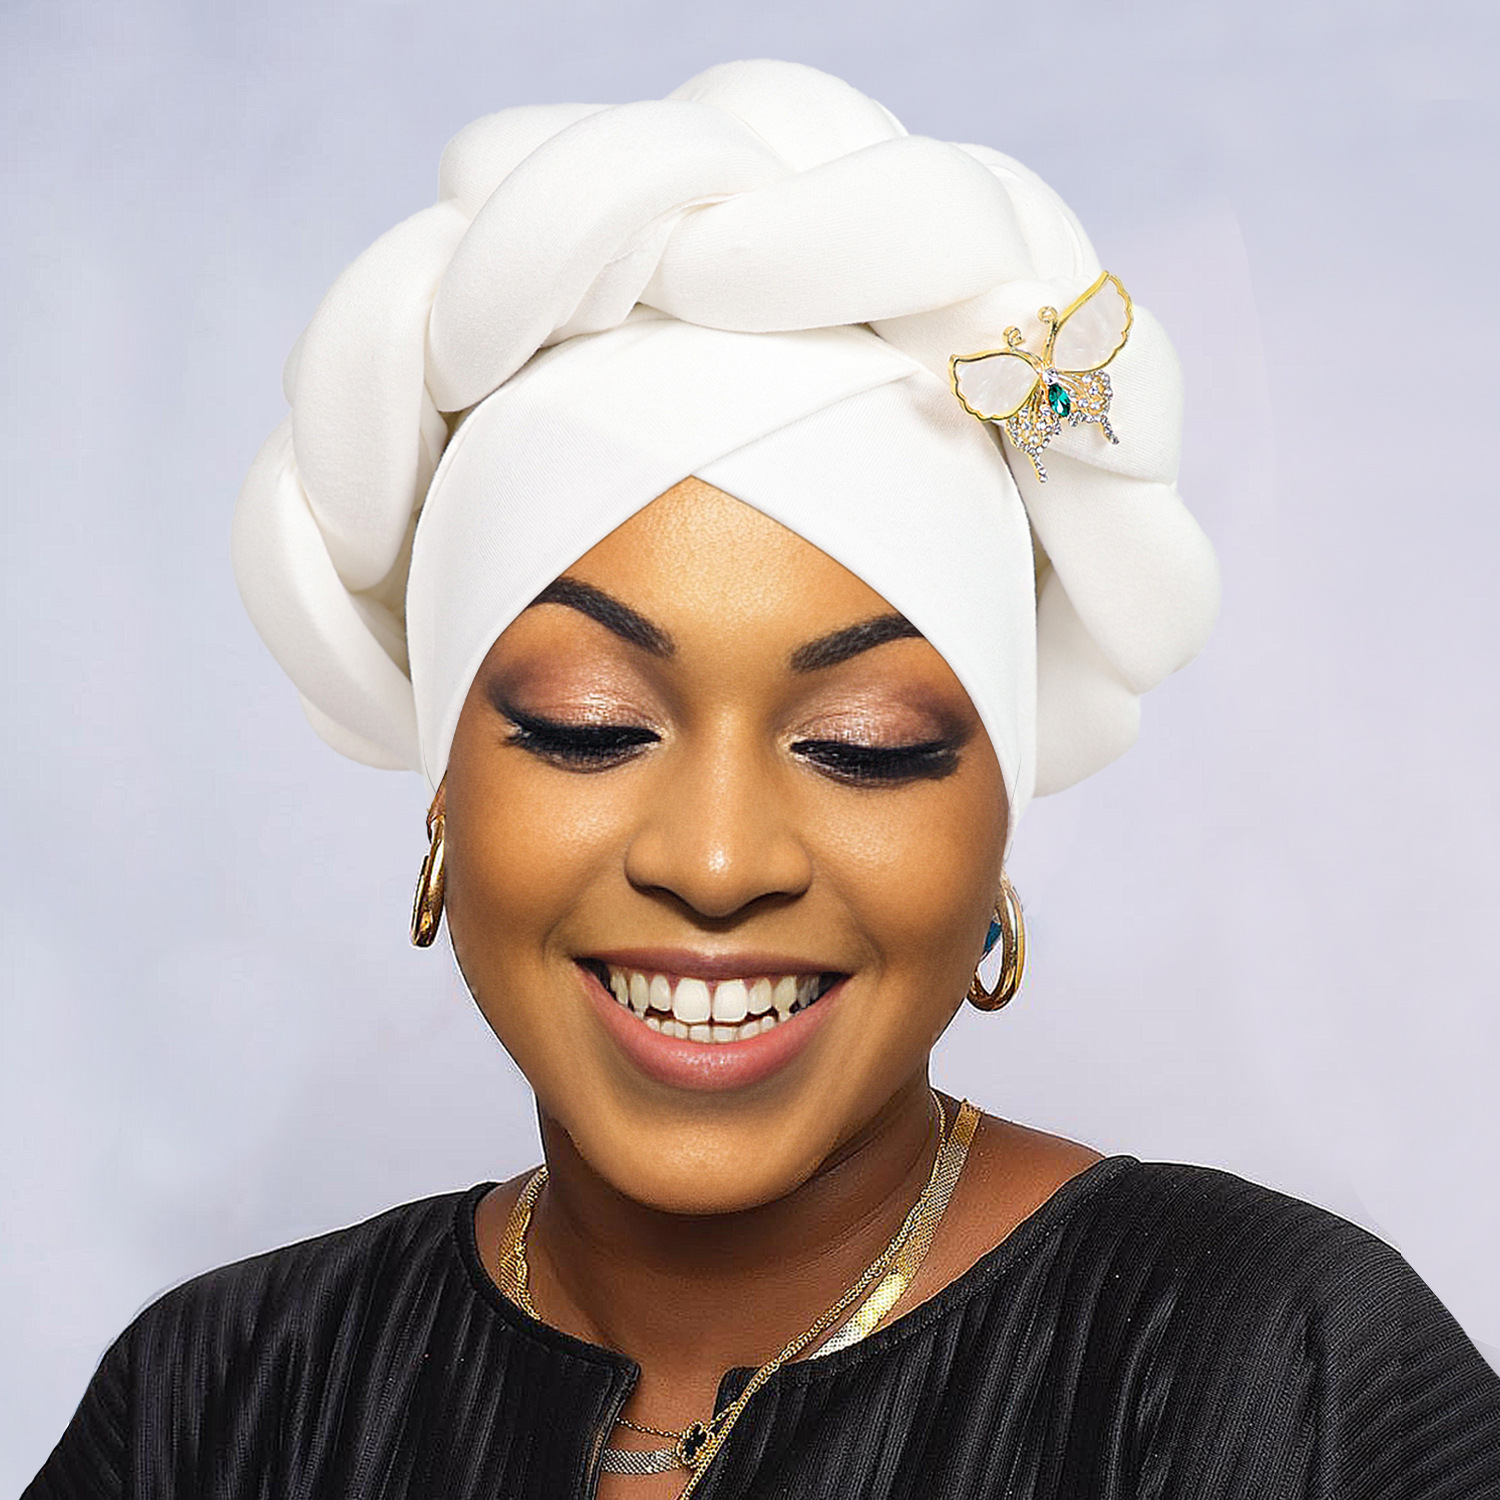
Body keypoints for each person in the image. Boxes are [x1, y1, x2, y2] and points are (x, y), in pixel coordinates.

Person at [26, 59, 1500, 1500]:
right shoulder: (219, 1399)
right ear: (443, 795)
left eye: (864, 744)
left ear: (997, 823)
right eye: (591, 726)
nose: (719, 861)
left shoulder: (1281, 1383)